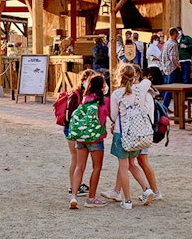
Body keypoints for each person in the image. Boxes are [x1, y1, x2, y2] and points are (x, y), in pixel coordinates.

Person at [107, 64, 154, 209]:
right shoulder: (139, 90)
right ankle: (146, 189)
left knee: (123, 166)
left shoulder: (116, 94)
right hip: (137, 133)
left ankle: (127, 199)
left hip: (122, 132)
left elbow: (114, 116)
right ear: (135, 76)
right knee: (132, 164)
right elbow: (147, 82)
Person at [69, 74, 110, 209]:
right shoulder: (104, 101)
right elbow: (106, 118)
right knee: (96, 167)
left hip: (81, 137)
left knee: (80, 166)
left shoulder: (85, 100)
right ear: (102, 86)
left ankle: (74, 195)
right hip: (95, 138)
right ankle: (91, 197)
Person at [66, 70, 96, 198]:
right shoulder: (76, 95)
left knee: (79, 160)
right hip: (73, 130)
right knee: (76, 158)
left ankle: (77, 184)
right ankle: (74, 186)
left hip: (77, 129)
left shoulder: (82, 95)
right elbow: (69, 116)